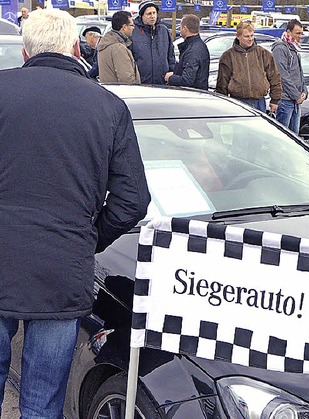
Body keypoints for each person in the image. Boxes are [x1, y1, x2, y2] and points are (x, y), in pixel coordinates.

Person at [0, 8, 150, 417]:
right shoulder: (107, 106)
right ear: (73, 46)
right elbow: (132, 201)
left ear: (26, 52)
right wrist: (87, 237)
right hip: (61, 270)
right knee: (43, 398)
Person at [216, 21, 282, 113]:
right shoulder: (228, 56)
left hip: (259, 102)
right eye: (246, 36)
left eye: (251, 35)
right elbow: (222, 83)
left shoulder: (263, 54)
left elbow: (274, 77)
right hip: (237, 102)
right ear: (238, 36)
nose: (250, 39)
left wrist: (275, 100)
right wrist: (222, 102)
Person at [271, 19, 307, 133]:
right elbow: (283, 75)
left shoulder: (294, 48)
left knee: (294, 139)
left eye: (301, 33)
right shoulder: (280, 49)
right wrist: (296, 96)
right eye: (297, 33)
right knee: (282, 137)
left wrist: (304, 92)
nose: (300, 36)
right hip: (285, 101)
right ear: (288, 32)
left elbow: (299, 74)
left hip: (296, 102)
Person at [130, 0, 175, 85]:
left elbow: (170, 56)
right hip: (141, 82)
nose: (152, 16)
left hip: (162, 82)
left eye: (154, 13)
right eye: (149, 14)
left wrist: (172, 74)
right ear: (142, 16)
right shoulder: (134, 32)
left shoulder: (164, 31)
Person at [164, 14, 210, 90]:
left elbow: (187, 80)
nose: (180, 30)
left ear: (185, 29)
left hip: (192, 95)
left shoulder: (192, 50)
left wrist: (170, 78)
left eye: (181, 27)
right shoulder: (199, 45)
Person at [98, 11, 140, 84]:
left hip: (109, 91)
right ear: (124, 27)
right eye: (132, 25)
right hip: (122, 93)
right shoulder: (118, 48)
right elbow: (126, 79)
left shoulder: (106, 44)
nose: (133, 28)